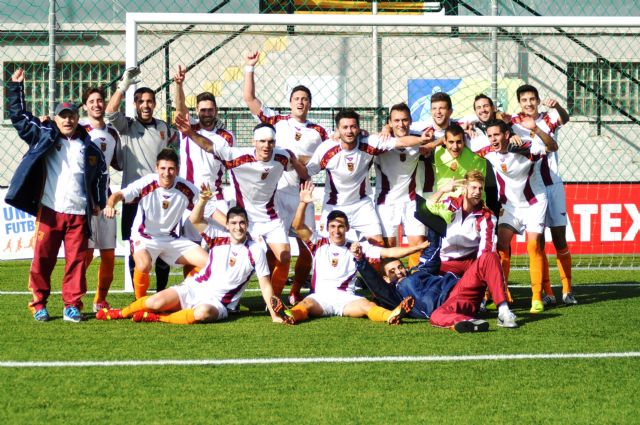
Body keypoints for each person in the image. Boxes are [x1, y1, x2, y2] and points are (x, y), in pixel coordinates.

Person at [355, 170, 518, 333]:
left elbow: (438, 252)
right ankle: (468, 320)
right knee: (436, 317)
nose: (399, 271)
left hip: (461, 280)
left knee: (489, 256)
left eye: (480, 188)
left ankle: (503, 311)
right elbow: (378, 287)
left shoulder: (419, 270)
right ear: (465, 188)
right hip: (447, 292)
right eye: (473, 187)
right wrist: (361, 261)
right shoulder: (395, 293)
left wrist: (482, 279)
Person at [6, 68, 107, 322]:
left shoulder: (91, 147)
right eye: (62, 116)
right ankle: (39, 303)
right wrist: (16, 89)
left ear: (77, 117)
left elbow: (101, 175)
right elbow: (19, 118)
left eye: (71, 115)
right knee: (42, 259)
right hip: (50, 210)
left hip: (78, 214)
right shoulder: (44, 135)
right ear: (56, 119)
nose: (67, 121)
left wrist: (99, 201)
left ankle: (72, 305)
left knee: (76, 262)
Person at [97, 193, 286, 324]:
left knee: (203, 313)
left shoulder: (256, 250)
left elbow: (265, 285)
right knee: (155, 302)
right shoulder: (217, 238)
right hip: (195, 287)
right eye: (234, 223)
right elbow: (195, 220)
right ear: (227, 225)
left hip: (219, 302)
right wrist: (202, 201)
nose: (238, 227)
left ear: (247, 225)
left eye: (242, 223)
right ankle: (119, 313)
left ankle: (158, 318)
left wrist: (275, 314)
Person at [174, 117, 309, 298]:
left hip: (271, 218)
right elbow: (209, 146)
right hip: (245, 221)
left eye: (270, 142)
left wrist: (306, 174)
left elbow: (298, 163)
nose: (266, 146)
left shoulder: (282, 157)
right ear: (254, 142)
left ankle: (274, 300)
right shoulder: (237, 156)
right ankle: (227, 295)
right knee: (243, 261)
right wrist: (190, 132)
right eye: (262, 141)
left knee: (284, 257)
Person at [270, 181, 427, 326]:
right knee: (304, 305)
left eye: (340, 226)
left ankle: (392, 315)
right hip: (320, 298)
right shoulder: (318, 243)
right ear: (327, 228)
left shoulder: (357, 248)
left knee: (368, 306)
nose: (336, 231)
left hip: (346, 299)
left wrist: (417, 247)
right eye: (333, 226)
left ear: (347, 228)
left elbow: (389, 252)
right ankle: (289, 314)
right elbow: (297, 225)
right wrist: (303, 203)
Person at [243, 51, 329, 305]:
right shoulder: (277, 121)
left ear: (310, 104)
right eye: (296, 98)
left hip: (304, 194)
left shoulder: (319, 131)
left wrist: (297, 159)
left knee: (308, 249)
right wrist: (249, 68)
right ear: (290, 102)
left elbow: (325, 157)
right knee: (276, 249)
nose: (300, 102)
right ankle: (274, 294)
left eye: (304, 99)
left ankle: (296, 291)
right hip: (278, 195)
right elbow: (249, 99)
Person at [306, 109, 433, 246]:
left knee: (378, 245)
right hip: (333, 205)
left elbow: (400, 142)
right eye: (345, 128)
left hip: (362, 205)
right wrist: (293, 162)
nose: (349, 131)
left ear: (359, 128)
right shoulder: (327, 148)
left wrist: (422, 140)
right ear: (338, 129)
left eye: (353, 127)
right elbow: (307, 172)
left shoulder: (370, 143)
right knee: (325, 246)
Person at [105, 67, 175, 291]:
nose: (146, 105)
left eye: (149, 101)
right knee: (135, 247)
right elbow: (110, 112)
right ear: (135, 105)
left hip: (159, 196)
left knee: (163, 244)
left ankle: (161, 292)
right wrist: (123, 86)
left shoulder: (163, 128)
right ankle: (139, 296)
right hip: (134, 197)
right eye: (141, 101)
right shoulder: (126, 126)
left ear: (155, 104)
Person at [103, 148, 208, 298]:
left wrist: (223, 222)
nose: (167, 173)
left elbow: (205, 210)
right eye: (163, 168)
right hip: (144, 237)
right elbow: (119, 194)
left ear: (177, 170)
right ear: (156, 168)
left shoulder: (186, 188)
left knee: (208, 263)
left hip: (171, 238)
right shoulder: (147, 182)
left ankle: (188, 295)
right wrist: (109, 205)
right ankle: (140, 304)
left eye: (171, 169)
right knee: (144, 265)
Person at [511, 84, 577, 306]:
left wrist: (557, 106)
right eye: (524, 100)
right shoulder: (514, 121)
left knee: (559, 238)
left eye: (532, 99)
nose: (528, 103)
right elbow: (497, 123)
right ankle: (547, 291)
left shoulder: (548, 119)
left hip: (553, 184)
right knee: (537, 241)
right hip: (531, 187)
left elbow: (565, 119)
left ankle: (567, 290)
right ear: (519, 102)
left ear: (538, 100)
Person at [483, 119, 557, 313]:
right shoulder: (488, 152)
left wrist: (535, 129)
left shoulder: (526, 148)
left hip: (533, 202)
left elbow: (552, 146)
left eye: (496, 135)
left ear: (507, 135)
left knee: (533, 246)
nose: (493, 139)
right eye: (490, 136)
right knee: (500, 246)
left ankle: (536, 298)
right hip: (510, 206)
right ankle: (501, 294)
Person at [173, 65, 235, 257]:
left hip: (215, 197)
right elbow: (180, 108)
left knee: (224, 244)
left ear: (216, 110)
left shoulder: (226, 136)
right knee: (193, 249)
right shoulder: (188, 128)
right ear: (196, 111)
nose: (207, 114)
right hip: (189, 196)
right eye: (203, 110)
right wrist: (179, 85)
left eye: (210, 110)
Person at [79, 87, 122, 312]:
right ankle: (74, 297)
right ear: (85, 106)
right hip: (85, 203)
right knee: (85, 254)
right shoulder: (79, 131)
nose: (97, 104)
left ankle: (100, 300)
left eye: (99, 100)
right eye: (91, 101)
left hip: (106, 201)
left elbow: (118, 163)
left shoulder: (113, 134)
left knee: (108, 253)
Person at [373, 103, 428, 268]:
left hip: (411, 200)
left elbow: (440, 135)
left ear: (411, 121)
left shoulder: (420, 139)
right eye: (396, 120)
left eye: (404, 120)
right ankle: (390, 286)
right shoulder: (380, 141)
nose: (401, 124)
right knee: (389, 246)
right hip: (386, 202)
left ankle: (416, 284)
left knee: (418, 244)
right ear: (390, 122)